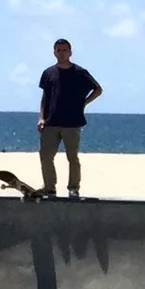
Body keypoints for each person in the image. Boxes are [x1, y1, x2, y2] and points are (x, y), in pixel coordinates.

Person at [37, 38, 101, 199]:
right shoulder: (48, 73)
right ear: (54, 52)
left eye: (65, 50)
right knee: (45, 156)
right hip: (51, 121)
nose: (62, 53)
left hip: (72, 122)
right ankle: (49, 188)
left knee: (72, 157)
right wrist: (41, 118)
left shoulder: (80, 72)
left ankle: (73, 188)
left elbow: (98, 89)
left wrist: (84, 103)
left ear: (70, 52)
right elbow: (45, 96)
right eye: (59, 50)